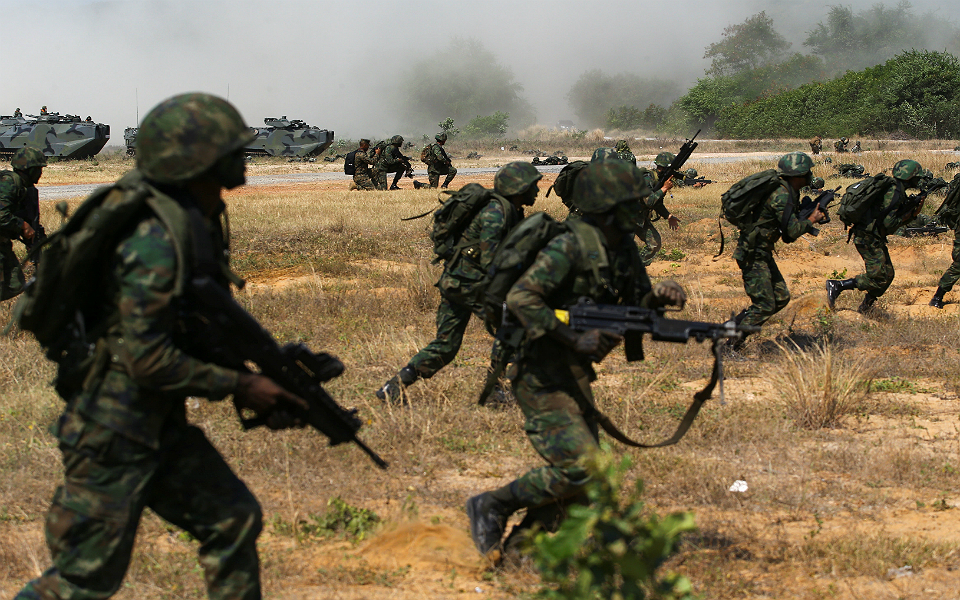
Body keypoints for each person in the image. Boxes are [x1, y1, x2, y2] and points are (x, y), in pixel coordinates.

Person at [14, 93, 309, 600]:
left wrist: (275, 362)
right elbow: (144, 355)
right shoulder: (153, 234)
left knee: (232, 519)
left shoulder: (191, 217)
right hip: (113, 432)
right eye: (229, 151)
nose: (242, 160)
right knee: (83, 581)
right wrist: (242, 383)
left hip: (158, 421)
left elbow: (198, 321)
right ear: (194, 158)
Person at [465, 160, 686, 559]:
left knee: (585, 485)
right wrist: (572, 337)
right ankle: (494, 503)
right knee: (585, 469)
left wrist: (659, 297)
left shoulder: (624, 253)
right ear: (608, 205)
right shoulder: (569, 245)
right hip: (539, 375)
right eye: (633, 202)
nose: (642, 208)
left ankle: (517, 553)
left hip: (574, 375)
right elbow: (521, 298)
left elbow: (637, 307)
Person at [376, 162, 542, 403]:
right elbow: (492, 260)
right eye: (533, 186)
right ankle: (497, 391)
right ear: (519, 188)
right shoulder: (497, 213)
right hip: (472, 286)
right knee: (514, 331)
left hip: (455, 283)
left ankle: (393, 387)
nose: (537, 191)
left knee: (446, 346)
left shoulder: (509, 209)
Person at [731, 152, 824, 350]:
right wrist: (811, 220)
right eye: (807, 172)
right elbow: (791, 233)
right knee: (764, 305)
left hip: (762, 252)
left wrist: (804, 217)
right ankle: (729, 344)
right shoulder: (782, 195)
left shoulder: (789, 190)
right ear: (799, 174)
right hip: (753, 253)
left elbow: (787, 232)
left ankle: (732, 327)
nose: (810, 175)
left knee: (780, 298)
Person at [826, 159, 926, 314]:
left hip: (871, 236)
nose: (918, 180)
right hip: (867, 237)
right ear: (909, 177)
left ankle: (866, 308)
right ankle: (838, 285)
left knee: (888, 274)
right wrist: (911, 215)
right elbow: (889, 223)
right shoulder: (895, 192)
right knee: (878, 277)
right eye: (916, 177)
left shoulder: (894, 188)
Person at [0, 146, 46, 300]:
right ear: (29, 169)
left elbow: (28, 217)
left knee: (15, 285)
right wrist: (22, 225)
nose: (41, 173)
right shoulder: (9, 182)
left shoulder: (25, 189)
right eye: (39, 168)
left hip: (3, 245)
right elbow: (1, 215)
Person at [636, 151, 681, 266]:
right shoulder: (647, 178)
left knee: (654, 243)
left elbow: (657, 203)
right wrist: (664, 188)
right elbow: (649, 201)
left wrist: (668, 216)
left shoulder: (658, 180)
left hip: (638, 217)